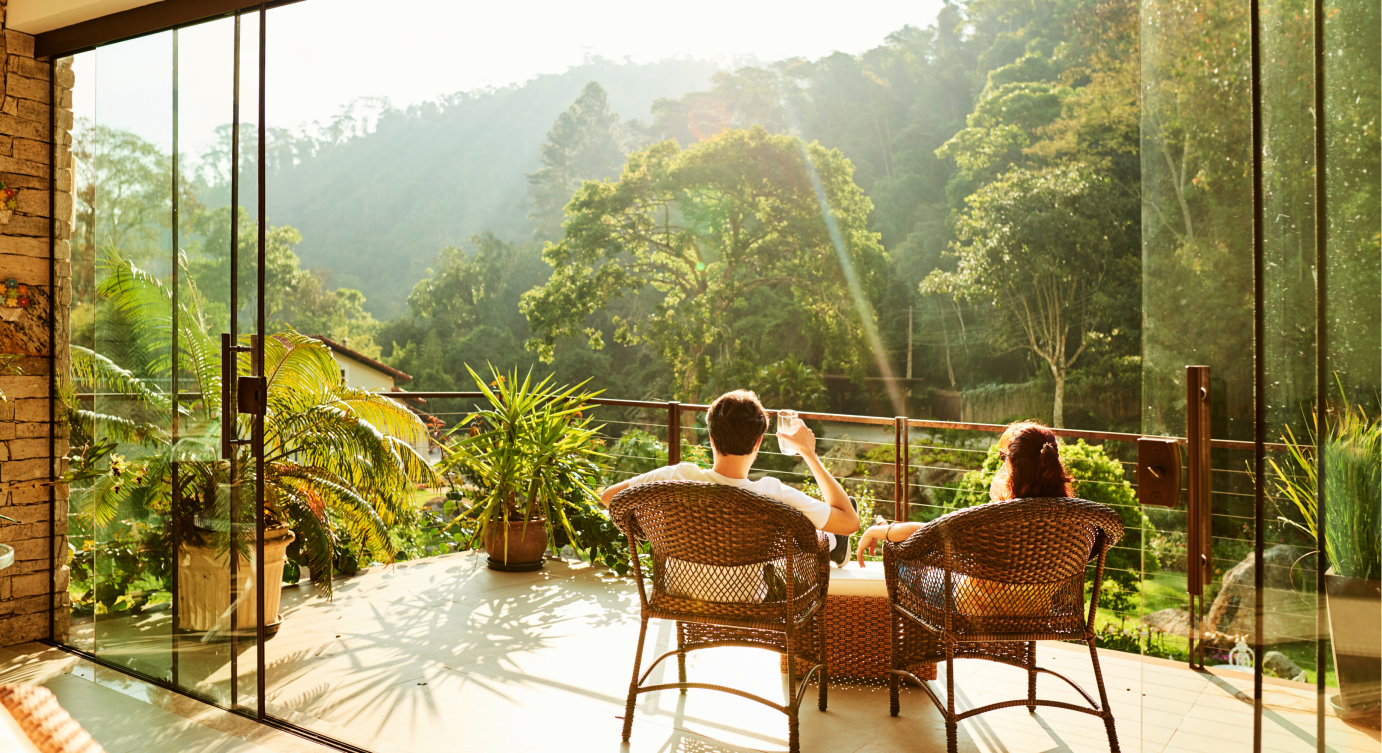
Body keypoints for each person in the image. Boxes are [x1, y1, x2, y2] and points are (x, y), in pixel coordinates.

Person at [600, 389, 861, 567]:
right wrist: (809, 454)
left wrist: (654, 527)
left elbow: (609, 496)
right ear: (758, 442)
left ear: (711, 438)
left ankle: (834, 543)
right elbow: (849, 521)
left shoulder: (677, 476)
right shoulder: (772, 493)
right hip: (754, 604)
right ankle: (835, 544)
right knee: (806, 533)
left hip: (680, 596)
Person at [855, 420, 1074, 566]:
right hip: (1040, 610)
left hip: (978, 610)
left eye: (1003, 458)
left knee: (902, 563)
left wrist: (880, 532)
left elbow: (931, 532)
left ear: (1014, 467)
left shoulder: (999, 519)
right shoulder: (1073, 519)